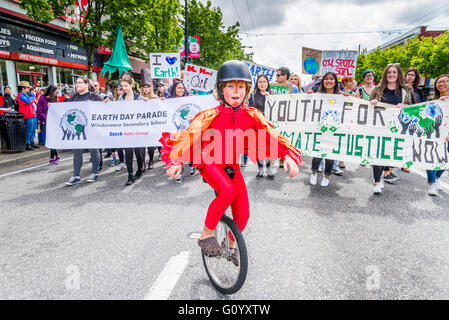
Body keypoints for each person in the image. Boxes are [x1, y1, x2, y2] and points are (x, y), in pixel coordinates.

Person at [160, 60, 300, 260]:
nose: (236, 91)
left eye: (241, 86)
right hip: (209, 161)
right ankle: (206, 234)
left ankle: (231, 246)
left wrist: (288, 155)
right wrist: (175, 161)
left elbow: (272, 135)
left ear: (247, 90)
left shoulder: (252, 115)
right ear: (220, 89)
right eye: (230, 86)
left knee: (243, 214)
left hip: (231, 165)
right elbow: (189, 136)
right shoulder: (209, 115)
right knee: (227, 191)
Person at [369, 63, 415, 193]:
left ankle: (380, 177)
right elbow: (368, 104)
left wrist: (404, 106)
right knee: (377, 153)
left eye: (394, 72)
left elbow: (409, 106)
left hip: (395, 128)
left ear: (398, 74)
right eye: (389, 72)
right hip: (378, 127)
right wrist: (372, 103)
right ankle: (377, 182)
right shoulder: (378, 88)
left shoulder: (405, 89)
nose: (391, 74)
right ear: (385, 75)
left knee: (387, 154)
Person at [307, 72, 348, 187]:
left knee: (330, 153)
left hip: (334, 129)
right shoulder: (317, 95)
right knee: (317, 151)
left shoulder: (342, 97)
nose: (329, 81)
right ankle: (314, 172)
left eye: (331, 79)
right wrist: (308, 96)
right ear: (323, 81)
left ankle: (326, 175)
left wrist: (349, 98)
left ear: (335, 82)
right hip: (320, 128)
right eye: (326, 79)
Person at [65, 76, 103, 186]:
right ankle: (76, 175)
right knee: (77, 151)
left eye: (80, 82)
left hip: (91, 128)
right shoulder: (73, 97)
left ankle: (95, 172)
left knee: (93, 150)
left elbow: (104, 110)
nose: (77, 85)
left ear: (87, 84)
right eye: (76, 83)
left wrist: (92, 105)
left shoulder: (94, 96)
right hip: (78, 129)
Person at [118, 75, 145, 186]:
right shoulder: (120, 99)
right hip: (126, 129)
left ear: (131, 85)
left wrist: (147, 102)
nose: (124, 88)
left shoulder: (139, 97)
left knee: (138, 152)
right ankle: (130, 175)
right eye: (122, 86)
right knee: (128, 153)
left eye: (126, 85)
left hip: (137, 129)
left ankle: (139, 169)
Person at [426, 74, 449, 195]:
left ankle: (436, 178)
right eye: (439, 82)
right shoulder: (432, 101)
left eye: (446, 81)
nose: (442, 83)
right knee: (431, 158)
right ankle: (432, 184)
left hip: (448, 136)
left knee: (445, 160)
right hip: (433, 135)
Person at [248, 74, 274, 179]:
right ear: (257, 84)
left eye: (264, 81)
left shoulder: (273, 95)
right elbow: (249, 110)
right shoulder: (252, 96)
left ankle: (268, 169)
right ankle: (260, 170)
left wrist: (270, 98)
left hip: (269, 127)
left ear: (267, 83)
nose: (262, 84)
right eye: (260, 82)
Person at [168, 80, 194, 182]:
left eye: (182, 88)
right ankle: (178, 173)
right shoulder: (169, 101)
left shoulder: (188, 100)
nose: (181, 90)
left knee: (189, 150)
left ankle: (191, 166)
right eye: (179, 88)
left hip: (187, 131)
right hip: (175, 132)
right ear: (174, 89)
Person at [276, 67, 300, 169]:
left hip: (288, 117)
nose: (276, 77)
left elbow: (298, 102)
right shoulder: (273, 87)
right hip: (276, 116)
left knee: (286, 138)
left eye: (278, 75)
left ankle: (285, 157)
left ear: (285, 76)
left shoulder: (293, 88)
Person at [140, 69, 161, 170]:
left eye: (148, 87)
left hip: (152, 124)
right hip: (141, 124)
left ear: (151, 88)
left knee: (151, 146)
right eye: (144, 87)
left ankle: (151, 160)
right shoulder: (138, 98)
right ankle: (143, 162)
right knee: (142, 145)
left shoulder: (155, 98)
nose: (146, 89)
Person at [36, 84, 60, 164]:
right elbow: (39, 112)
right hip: (44, 122)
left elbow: (57, 111)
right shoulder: (42, 98)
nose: (57, 94)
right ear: (51, 92)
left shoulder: (55, 99)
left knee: (52, 139)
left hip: (53, 123)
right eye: (56, 92)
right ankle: (55, 156)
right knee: (50, 139)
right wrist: (47, 118)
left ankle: (52, 157)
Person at [17, 81, 38, 150]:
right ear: (23, 88)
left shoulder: (26, 95)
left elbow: (30, 100)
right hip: (28, 114)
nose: (29, 89)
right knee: (28, 130)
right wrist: (33, 95)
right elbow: (28, 101)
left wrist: (31, 95)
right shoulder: (20, 96)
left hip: (32, 114)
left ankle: (31, 142)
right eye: (28, 88)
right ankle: (27, 144)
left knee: (33, 129)